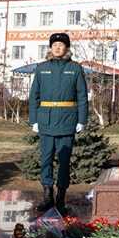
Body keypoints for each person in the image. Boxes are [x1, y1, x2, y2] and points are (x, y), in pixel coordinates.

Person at [29, 32, 88, 213]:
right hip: (45, 121)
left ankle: (61, 198)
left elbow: (82, 96)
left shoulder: (75, 69)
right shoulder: (41, 68)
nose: (57, 47)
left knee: (64, 160)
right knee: (46, 159)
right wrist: (34, 120)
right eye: (54, 44)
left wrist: (81, 120)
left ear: (67, 48)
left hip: (67, 121)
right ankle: (47, 196)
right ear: (50, 48)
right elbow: (34, 96)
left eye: (61, 45)